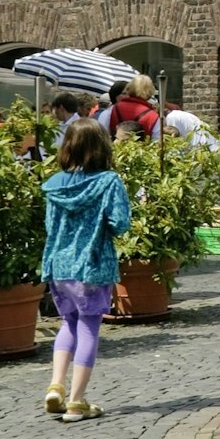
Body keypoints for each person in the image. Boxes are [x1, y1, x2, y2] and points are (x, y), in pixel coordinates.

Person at [39, 121, 132, 423]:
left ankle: (56, 385)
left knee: (69, 322)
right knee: (89, 327)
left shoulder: (55, 184)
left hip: (58, 264)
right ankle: (77, 401)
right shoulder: (108, 181)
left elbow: (50, 226)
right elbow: (120, 223)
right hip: (91, 264)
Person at [106, 76, 163, 140]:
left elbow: (104, 134)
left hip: (116, 148)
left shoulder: (113, 109)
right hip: (141, 149)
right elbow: (157, 141)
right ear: (150, 92)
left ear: (129, 88)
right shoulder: (153, 116)